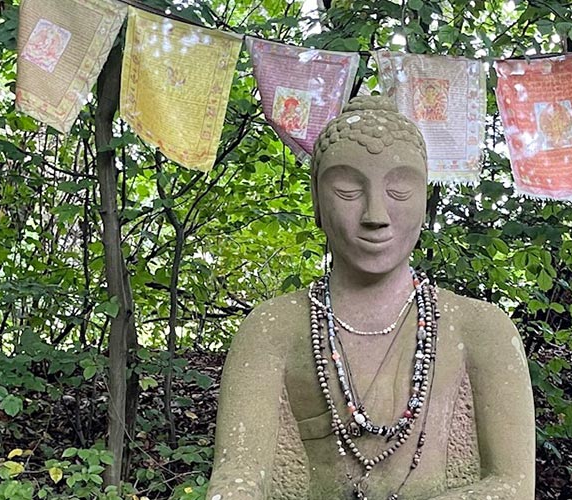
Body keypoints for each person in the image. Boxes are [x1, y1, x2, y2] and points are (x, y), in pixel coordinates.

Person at [206, 95, 536, 499]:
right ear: (316, 200)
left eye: (399, 190)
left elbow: (513, 485)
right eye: (347, 190)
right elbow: (238, 476)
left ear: (425, 199)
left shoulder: (481, 328)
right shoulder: (272, 328)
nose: (375, 214)